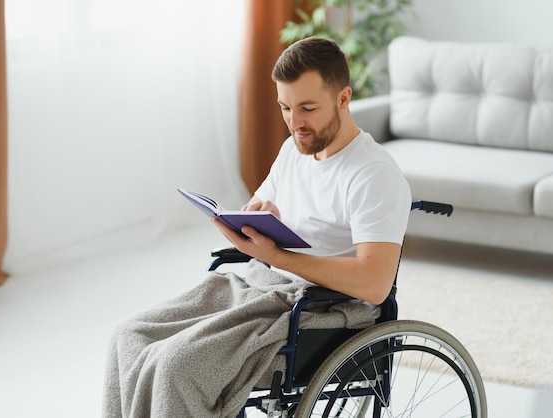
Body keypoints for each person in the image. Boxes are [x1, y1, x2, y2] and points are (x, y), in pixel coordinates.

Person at [102, 36, 411, 418]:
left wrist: (277, 255)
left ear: (343, 98)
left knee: (176, 367)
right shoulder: (293, 151)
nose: (295, 122)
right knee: (129, 337)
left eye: (307, 108)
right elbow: (266, 205)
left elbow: (374, 283)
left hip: (319, 310)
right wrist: (254, 219)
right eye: (285, 107)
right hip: (259, 284)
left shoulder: (373, 175)